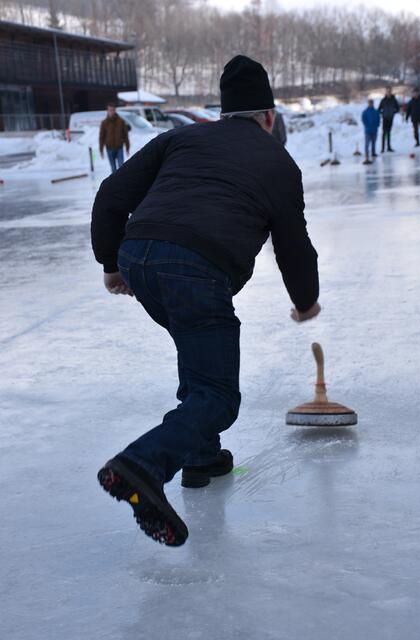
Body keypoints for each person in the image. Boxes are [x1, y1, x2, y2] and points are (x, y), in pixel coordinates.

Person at [91, 55, 320, 547]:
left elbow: (111, 194)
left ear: (222, 112)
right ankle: (143, 464)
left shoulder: (180, 138)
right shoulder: (278, 162)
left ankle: (201, 457)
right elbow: (293, 245)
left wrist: (112, 263)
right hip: (197, 266)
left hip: (140, 256)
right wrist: (305, 301)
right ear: (269, 117)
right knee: (217, 394)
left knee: (195, 341)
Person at [99, 103, 130, 173]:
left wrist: (127, 147)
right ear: (107, 111)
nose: (111, 112)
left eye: (112, 110)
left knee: (121, 166)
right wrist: (101, 150)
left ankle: (121, 182)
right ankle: (115, 183)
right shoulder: (104, 123)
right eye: (109, 110)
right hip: (109, 148)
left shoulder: (121, 121)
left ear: (115, 110)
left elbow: (125, 135)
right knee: (113, 168)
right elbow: (101, 137)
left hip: (119, 147)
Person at [378, 86, 400, 152]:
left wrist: (394, 112)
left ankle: (389, 147)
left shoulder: (394, 100)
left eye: (389, 91)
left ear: (391, 91)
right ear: (386, 92)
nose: (388, 92)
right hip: (385, 118)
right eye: (387, 91)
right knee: (384, 133)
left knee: (389, 132)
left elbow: (397, 108)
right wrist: (382, 113)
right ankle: (382, 148)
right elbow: (379, 109)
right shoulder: (383, 100)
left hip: (390, 118)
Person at [362, 99, 380, 165]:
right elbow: (363, 119)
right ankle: (366, 154)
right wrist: (367, 125)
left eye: (372, 103)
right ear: (368, 104)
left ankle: (373, 152)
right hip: (368, 130)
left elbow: (378, 118)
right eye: (370, 103)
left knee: (374, 142)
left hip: (374, 129)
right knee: (367, 143)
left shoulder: (375, 111)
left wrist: (377, 125)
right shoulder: (365, 112)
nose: (371, 104)